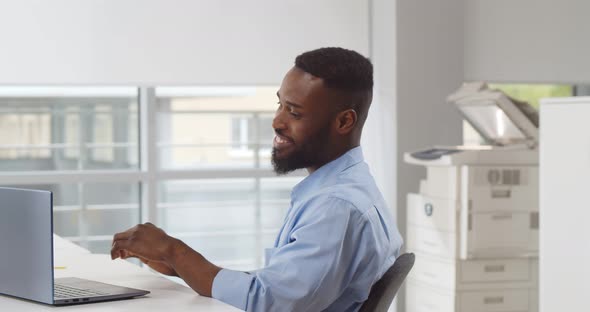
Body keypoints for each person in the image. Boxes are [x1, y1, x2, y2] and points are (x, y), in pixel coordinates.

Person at [111, 47, 403, 312]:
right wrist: (180, 265)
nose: (277, 121)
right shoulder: (345, 187)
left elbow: (266, 302)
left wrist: (173, 249)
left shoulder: (335, 207)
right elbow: (282, 284)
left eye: (294, 112)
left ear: (343, 122)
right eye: (280, 105)